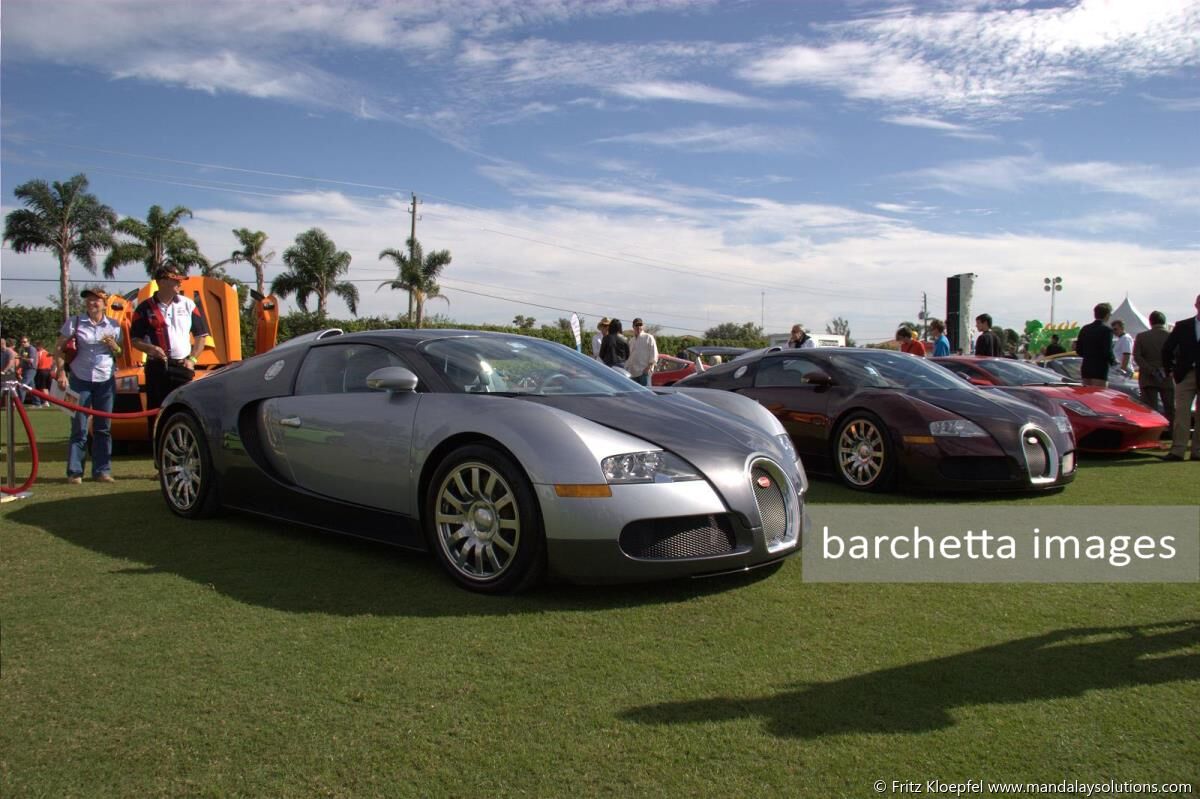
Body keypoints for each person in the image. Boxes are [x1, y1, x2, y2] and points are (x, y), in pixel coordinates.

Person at [55, 287, 123, 484]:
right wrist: (61, 372)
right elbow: (59, 348)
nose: (92, 303)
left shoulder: (114, 325)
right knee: (79, 427)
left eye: (96, 300)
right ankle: (75, 472)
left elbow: (120, 354)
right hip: (79, 378)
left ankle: (102, 471)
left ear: (104, 303)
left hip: (105, 379)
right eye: (89, 300)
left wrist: (114, 346)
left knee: (103, 428)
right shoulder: (75, 322)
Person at [130, 267, 210, 420]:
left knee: (184, 411)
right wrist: (150, 348)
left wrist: (192, 360)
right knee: (156, 412)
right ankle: (157, 443)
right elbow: (135, 339)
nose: (180, 283)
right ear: (162, 282)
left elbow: (201, 336)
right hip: (157, 367)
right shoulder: (144, 308)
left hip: (182, 366)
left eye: (180, 279)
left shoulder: (188, 305)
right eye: (175, 279)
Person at [1161, 293, 1200, 461]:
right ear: (1196, 305)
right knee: (1181, 413)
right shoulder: (1183, 325)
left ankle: (1197, 451)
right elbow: (1167, 349)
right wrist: (1169, 369)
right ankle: (1178, 450)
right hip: (1186, 375)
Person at [1133, 311, 1173, 424]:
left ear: (1150, 322)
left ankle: (1152, 430)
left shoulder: (1141, 337)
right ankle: (1172, 431)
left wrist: (1150, 369)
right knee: (1170, 407)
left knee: (1150, 408)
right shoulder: (1170, 336)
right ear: (1164, 322)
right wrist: (1167, 369)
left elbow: (1137, 356)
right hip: (1167, 375)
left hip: (1148, 377)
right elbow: (1177, 355)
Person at [1075, 302, 1116, 387]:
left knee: (1087, 395)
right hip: (1100, 369)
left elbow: (1079, 350)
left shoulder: (1085, 329)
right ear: (1107, 315)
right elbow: (1107, 351)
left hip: (1086, 367)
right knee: (1099, 395)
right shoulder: (1107, 330)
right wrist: (1114, 362)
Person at [626, 318, 659, 386]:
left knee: (646, 394)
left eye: (640, 325)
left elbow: (654, 353)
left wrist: (649, 367)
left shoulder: (649, 337)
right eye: (636, 325)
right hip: (632, 373)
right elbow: (629, 356)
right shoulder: (631, 340)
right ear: (633, 326)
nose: (638, 327)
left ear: (643, 326)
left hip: (644, 373)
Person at [17, 336, 41, 404]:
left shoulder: (31, 349)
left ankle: (19, 403)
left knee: (22, 386)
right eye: (21, 342)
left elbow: (31, 360)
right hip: (25, 369)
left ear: (28, 342)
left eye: (24, 342)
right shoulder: (24, 349)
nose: (23, 343)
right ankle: (37, 402)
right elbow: (23, 360)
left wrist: (21, 357)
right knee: (32, 388)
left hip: (31, 369)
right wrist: (18, 367)